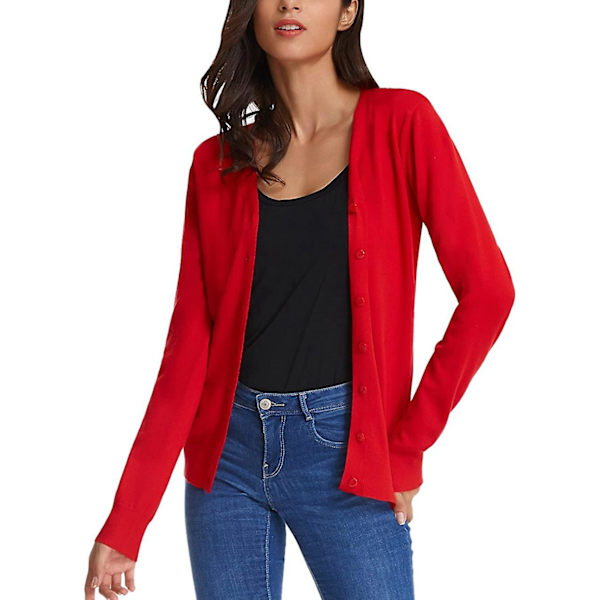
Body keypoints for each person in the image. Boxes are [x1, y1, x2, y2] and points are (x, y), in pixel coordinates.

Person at [85, 0, 515, 598]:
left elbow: (489, 293)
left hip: (348, 453)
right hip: (227, 461)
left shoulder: (403, 122)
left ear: (347, 12)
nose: (289, 2)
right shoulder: (217, 164)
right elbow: (187, 353)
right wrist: (127, 520)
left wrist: (408, 444)